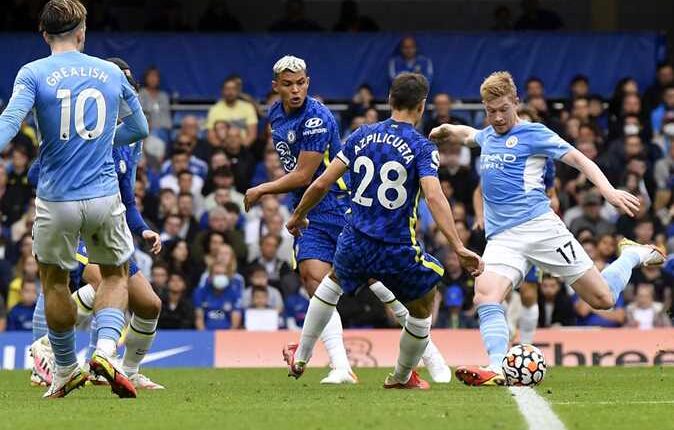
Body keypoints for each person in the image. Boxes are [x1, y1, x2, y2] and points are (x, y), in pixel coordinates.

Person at [430, 71, 665, 386]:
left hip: (541, 230)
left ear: (516, 102)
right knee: (485, 295)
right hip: (503, 239)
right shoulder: (487, 135)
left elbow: (579, 159)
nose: (497, 117)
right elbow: (468, 134)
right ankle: (497, 366)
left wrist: (608, 191)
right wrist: (447, 129)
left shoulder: (535, 134)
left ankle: (631, 255)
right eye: (491, 111)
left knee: (603, 298)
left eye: (503, 109)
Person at [245, 57, 453, 384]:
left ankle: (430, 353)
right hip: (310, 208)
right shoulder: (275, 115)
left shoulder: (316, 119)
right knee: (314, 279)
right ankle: (341, 367)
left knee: (375, 279)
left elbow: (305, 175)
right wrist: (299, 210)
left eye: (300, 83)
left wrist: (262, 189)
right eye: (287, 85)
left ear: (308, 82)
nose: (295, 90)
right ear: (276, 87)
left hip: (340, 203)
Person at [283, 72, 483, 389]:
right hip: (395, 246)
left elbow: (321, 182)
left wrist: (298, 215)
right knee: (423, 305)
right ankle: (401, 376)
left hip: (355, 239)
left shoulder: (361, 135)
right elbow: (434, 197)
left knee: (330, 285)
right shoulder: (421, 146)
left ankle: (303, 355)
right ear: (422, 106)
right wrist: (458, 246)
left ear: (390, 100)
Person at [0, 0, 148, 398]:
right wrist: (101, 142)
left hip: (56, 200)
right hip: (103, 197)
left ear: (44, 34)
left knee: (54, 283)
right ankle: (105, 352)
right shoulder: (110, 72)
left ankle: (65, 368)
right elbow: (139, 127)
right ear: (82, 32)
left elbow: (10, 122)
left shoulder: (32, 73)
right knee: (115, 274)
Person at [27, 57, 164, 390]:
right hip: (76, 227)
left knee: (150, 304)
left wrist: (143, 228)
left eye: (131, 88)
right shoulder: (80, 131)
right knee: (102, 283)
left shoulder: (132, 139)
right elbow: (33, 174)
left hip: (108, 224)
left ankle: (127, 369)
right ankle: (47, 348)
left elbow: (128, 198)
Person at [206, 75, 258, 147]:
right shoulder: (214, 109)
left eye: (233, 89)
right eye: (227, 89)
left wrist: (241, 149)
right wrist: (223, 149)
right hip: (222, 148)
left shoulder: (248, 107)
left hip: (244, 147)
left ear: (238, 91)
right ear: (222, 91)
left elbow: (252, 135)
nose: (230, 92)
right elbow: (211, 137)